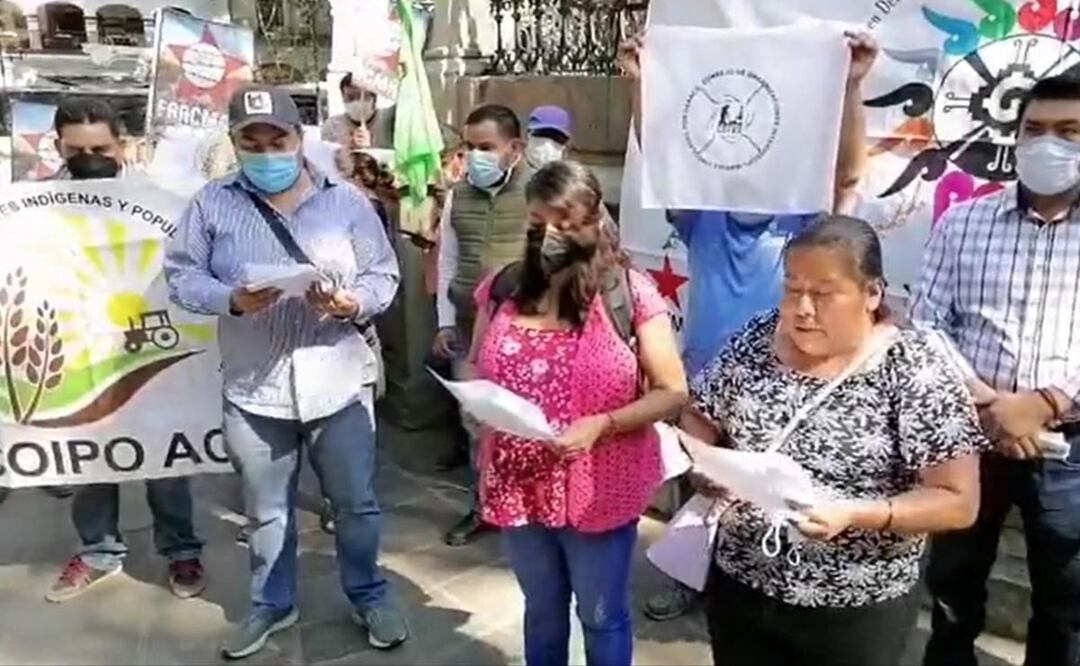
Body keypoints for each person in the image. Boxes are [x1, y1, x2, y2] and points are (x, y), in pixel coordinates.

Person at [616, 30, 881, 621]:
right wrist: (642, 84)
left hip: (779, 383)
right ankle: (690, 580)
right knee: (701, 483)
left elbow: (847, 172)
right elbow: (664, 160)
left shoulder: (801, 225)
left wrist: (852, 86)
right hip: (708, 380)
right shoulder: (704, 220)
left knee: (764, 496)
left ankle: (762, 587)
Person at [164, 85, 407, 658]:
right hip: (255, 388)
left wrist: (352, 304)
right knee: (266, 510)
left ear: (300, 140)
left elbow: (383, 276)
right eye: (254, 142)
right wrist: (231, 299)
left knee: (356, 504)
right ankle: (272, 603)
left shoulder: (345, 202)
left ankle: (368, 592)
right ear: (235, 143)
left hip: (338, 384)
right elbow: (181, 275)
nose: (268, 153)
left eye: (280, 140)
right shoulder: (210, 204)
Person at [688, 215, 986, 666]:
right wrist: (705, 468)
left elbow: (957, 501)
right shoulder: (757, 338)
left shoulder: (914, 369)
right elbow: (698, 414)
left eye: (823, 294)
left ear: (872, 294)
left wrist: (855, 514)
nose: (802, 308)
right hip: (741, 587)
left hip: (854, 607)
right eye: (792, 288)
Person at [466, 160, 687, 666]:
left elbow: (673, 391)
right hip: (518, 482)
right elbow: (477, 361)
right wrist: (478, 403)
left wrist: (605, 424)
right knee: (541, 609)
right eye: (540, 223)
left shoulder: (628, 292)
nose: (551, 236)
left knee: (601, 613)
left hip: (599, 487)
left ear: (595, 223)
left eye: (565, 224)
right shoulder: (504, 288)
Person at [914, 75, 1080, 666]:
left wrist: (1047, 402)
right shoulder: (964, 222)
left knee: (1067, 597)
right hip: (969, 433)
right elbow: (928, 323)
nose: (1048, 144)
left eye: (1068, 132)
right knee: (954, 583)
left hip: (1069, 445)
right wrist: (992, 405)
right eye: (1034, 130)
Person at [44, 97, 205, 604]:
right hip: (75, 351)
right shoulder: (32, 208)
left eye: (101, 148)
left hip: (147, 345)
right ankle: (97, 551)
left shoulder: (158, 201)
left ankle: (181, 549)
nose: (91, 157)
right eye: (78, 150)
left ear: (123, 145)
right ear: (57, 146)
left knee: (164, 457)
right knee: (90, 459)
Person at [431, 103, 529, 546]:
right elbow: (449, 257)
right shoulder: (458, 194)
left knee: (525, 422)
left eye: (486, 147)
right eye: (469, 147)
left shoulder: (541, 189)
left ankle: (530, 510)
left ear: (514, 149)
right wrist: (445, 321)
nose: (475, 157)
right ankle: (485, 505)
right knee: (476, 422)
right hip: (470, 330)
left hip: (526, 333)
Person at [321, 73, 395, 151]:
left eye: (362, 96)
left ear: (374, 98)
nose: (357, 102)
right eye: (350, 97)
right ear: (343, 98)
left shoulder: (389, 120)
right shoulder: (332, 127)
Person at [524, 105, 573, 170]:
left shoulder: (573, 178)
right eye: (541, 133)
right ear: (526, 136)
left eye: (557, 137)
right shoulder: (510, 174)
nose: (547, 143)